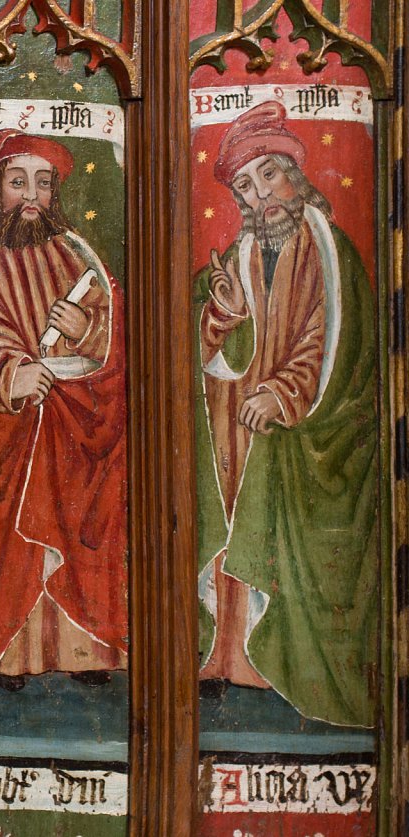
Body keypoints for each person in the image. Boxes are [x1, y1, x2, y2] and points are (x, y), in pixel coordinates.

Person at [194, 102, 378, 727]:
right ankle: (231, 662)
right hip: (245, 432)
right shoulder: (243, 253)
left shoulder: (329, 249)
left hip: (312, 432)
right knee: (230, 521)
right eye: (246, 185)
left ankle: (289, 667)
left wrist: (284, 393)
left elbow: (334, 339)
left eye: (268, 175)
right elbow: (218, 349)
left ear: (295, 176)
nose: (261, 194)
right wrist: (221, 315)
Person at [0, 129, 128, 699]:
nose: (32, 196)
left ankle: (83, 650)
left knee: (82, 521)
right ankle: (11, 656)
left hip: (73, 426)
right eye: (18, 181)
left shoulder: (75, 253)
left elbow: (112, 324)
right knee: (15, 546)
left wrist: (91, 329)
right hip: (12, 429)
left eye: (43, 184)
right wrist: (9, 373)